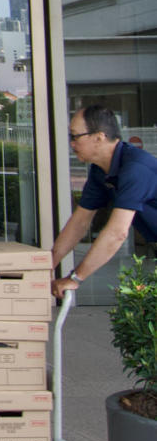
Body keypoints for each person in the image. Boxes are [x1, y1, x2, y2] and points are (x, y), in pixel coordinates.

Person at [51, 105, 157, 299]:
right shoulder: (100, 171)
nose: (71, 144)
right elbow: (80, 222)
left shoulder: (135, 169)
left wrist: (75, 278)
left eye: (75, 136)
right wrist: (45, 265)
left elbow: (117, 233)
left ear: (99, 137)